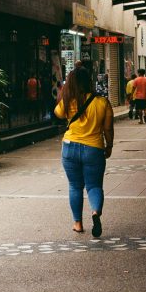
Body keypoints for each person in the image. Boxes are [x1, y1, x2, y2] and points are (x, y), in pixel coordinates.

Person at [54, 67, 114, 238]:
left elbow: (57, 113)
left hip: (70, 147)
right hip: (94, 148)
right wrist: (109, 145)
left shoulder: (68, 101)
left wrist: (65, 94)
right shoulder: (102, 102)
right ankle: (95, 212)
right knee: (94, 186)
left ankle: (78, 223)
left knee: (74, 186)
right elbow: (108, 129)